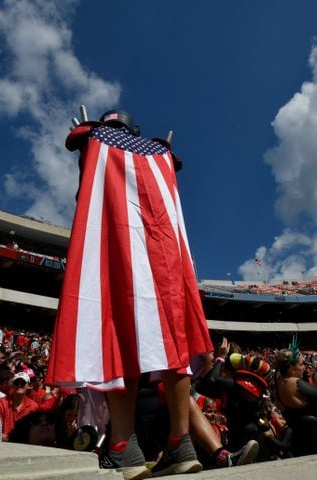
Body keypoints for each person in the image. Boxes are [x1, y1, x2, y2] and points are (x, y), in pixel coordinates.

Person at [47, 109, 213, 479]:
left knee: (121, 337)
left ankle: (124, 445)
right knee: (175, 342)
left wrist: (93, 138)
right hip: (165, 249)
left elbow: (76, 137)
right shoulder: (161, 154)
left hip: (121, 243)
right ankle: (180, 443)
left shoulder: (95, 138)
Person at [273, 341, 317, 457]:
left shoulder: (280, 383)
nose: (304, 367)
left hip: (304, 436)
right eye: (301, 364)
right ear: (291, 368)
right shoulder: (292, 382)